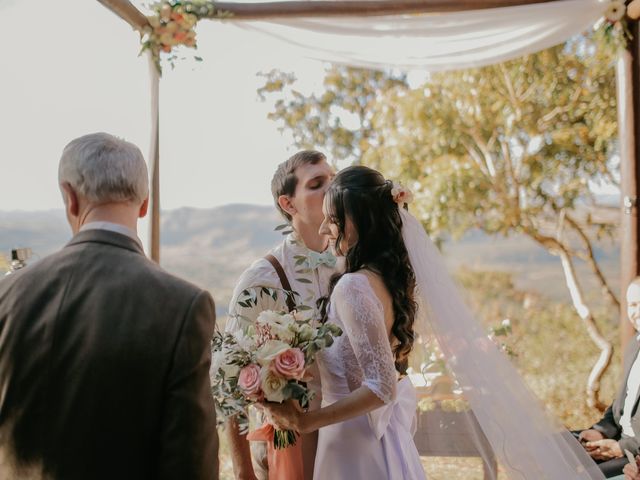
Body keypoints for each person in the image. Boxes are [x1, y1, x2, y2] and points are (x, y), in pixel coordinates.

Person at [265, 165, 607, 480]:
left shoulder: (354, 287)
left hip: (352, 445)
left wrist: (308, 421)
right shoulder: (385, 280)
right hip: (375, 438)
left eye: (333, 218)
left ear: (359, 220)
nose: (325, 228)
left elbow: (381, 387)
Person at [0, 132, 218, 479]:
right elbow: (190, 466)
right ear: (145, 204)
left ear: (70, 199)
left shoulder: (7, 294)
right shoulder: (182, 306)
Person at [224, 150, 338, 480]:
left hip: (350, 442)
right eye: (317, 184)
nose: (332, 190)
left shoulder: (353, 264)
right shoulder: (263, 278)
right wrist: (243, 472)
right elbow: (231, 379)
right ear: (288, 204)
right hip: (288, 448)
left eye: (334, 179)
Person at [579, 277, 640, 478]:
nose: (636, 312)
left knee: (579, 475)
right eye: (632, 304)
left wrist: (620, 447)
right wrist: (601, 431)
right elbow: (620, 405)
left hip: (634, 456)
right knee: (550, 449)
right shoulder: (633, 345)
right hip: (617, 439)